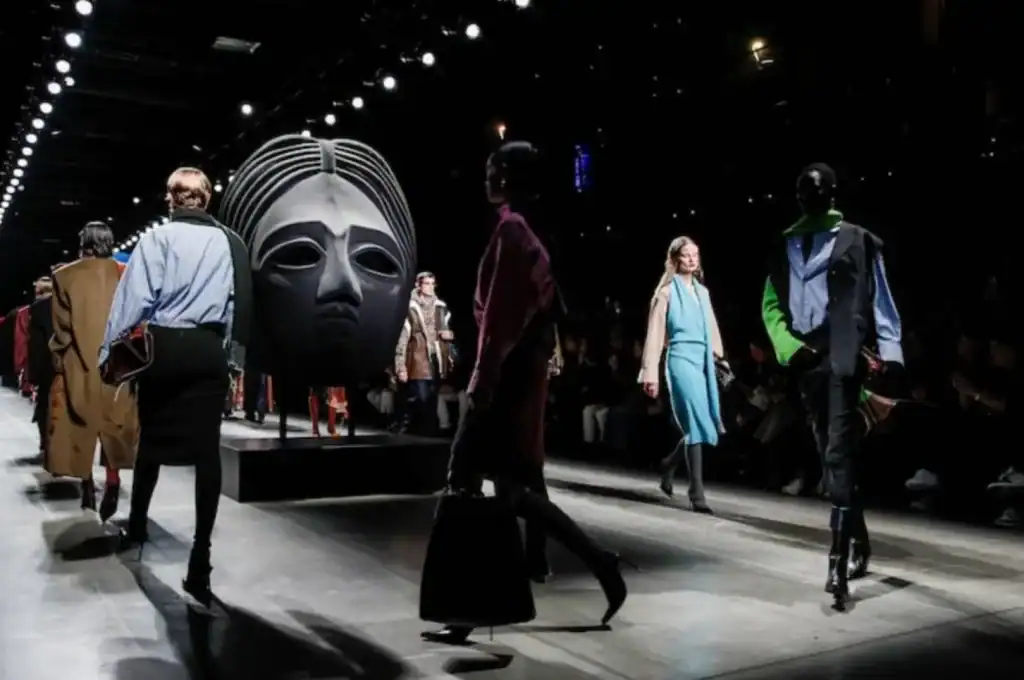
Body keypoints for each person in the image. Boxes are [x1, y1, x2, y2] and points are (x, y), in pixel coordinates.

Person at [422, 141, 629, 645]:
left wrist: (482, 383)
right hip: (521, 373)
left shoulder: (514, 232)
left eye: (495, 169)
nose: (487, 177)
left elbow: (500, 321)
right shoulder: (531, 231)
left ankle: (471, 607)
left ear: (512, 176)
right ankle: (598, 565)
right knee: (511, 489)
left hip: (507, 375)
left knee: (464, 480)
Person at [101, 167, 251, 611]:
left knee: (151, 440)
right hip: (207, 350)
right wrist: (234, 361)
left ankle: (139, 525)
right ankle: (199, 559)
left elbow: (135, 299)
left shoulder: (157, 240)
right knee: (207, 452)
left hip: (164, 348)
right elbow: (237, 305)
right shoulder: (231, 243)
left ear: (171, 198)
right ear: (206, 199)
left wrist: (108, 349)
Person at [761, 163, 903, 608]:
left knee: (838, 451)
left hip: (843, 351)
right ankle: (858, 540)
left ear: (833, 194)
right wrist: (787, 346)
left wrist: (891, 350)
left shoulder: (858, 239)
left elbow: (881, 295)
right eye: (805, 190)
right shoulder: (784, 243)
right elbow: (770, 304)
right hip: (806, 359)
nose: (812, 196)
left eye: (819, 190)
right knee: (829, 454)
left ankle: (837, 565)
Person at [48, 223, 139, 518]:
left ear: (83, 242)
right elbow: (137, 319)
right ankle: (112, 482)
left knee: (81, 422)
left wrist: (57, 356)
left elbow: (62, 329)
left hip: (79, 359)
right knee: (114, 423)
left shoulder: (64, 276)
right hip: (117, 361)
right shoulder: (124, 274)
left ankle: (87, 483)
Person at [639, 236, 726, 513]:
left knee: (703, 425)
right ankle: (696, 493)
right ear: (675, 259)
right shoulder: (665, 293)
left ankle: (669, 464)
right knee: (697, 425)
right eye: (686, 255)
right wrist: (650, 374)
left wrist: (718, 358)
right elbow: (654, 335)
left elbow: (710, 326)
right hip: (678, 360)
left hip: (701, 361)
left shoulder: (703, 292)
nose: (692, 259)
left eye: (695, 254)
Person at [394, 272, 455, 435]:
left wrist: (448, 335)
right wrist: (400, 366)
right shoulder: (410, 308)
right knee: (420, 398)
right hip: (418, 359)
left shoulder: (440, 307)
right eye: (426, 283)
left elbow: (446, 330)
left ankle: (425, 434)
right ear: (418, 286)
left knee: (431, 400)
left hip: (437, 359)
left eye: (432, 284)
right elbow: (403, 337)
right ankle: (408, 429)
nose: (430, 287)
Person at [28, 277, 54, 463]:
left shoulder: (37, 310)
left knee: (44, 405)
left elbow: (35, 346)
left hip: (47, 367)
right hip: (73, 365)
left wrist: (33, 376)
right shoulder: (76, 305)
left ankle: (47, 443)